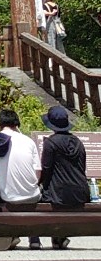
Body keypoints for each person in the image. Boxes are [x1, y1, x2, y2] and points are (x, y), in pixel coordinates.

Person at [0, 108, 43, 248]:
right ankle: (34, 239)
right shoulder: (29, 141)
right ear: (17, 124)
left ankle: (12, 235)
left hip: (8, 196)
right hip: (32, 194)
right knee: (31, 195)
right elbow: (38, 170)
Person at [39, 104, 91, 247]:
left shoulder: (50, 143)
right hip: (80, 192)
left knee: (40, 198)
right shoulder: (78, 143)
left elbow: (46, 169)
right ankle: (59, 237)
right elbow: (83, 167)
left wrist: (41, 185)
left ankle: (38, 239)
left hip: (59, 194)